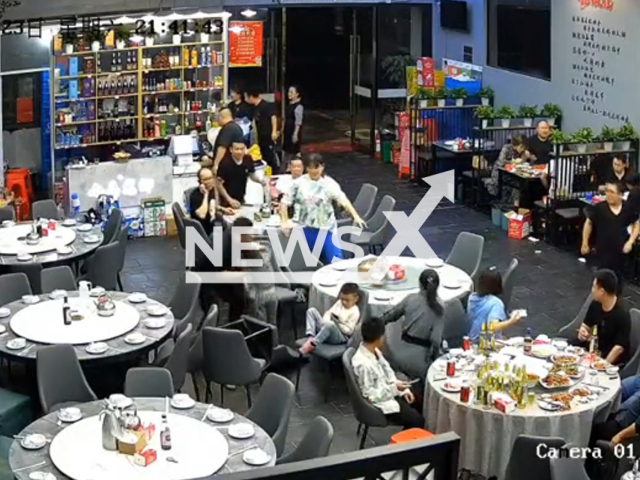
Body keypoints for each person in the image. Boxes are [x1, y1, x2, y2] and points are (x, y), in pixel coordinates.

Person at [280, 154, 366, 265]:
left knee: (336, 262)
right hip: (305, 229)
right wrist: (284, 221)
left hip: (327, 230)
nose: (313, 171)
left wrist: (356, 216)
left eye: (316, 167)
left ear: (322, 167)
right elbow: (285, 202)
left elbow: (342, 199)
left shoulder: (329, 184)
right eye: (310, 168)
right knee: (306, 263)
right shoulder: (298, 183)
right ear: (306, 168)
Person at [352, 316, 425, 430]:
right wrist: (395, 389)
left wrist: (401, 389)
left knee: (419, 399)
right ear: (380, 337)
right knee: (418, 421)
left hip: (387, 390)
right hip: (381, 403)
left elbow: (388, 371)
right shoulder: (363, 365)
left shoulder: (374, 351)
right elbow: (371, 397)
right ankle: (403, 446)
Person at [581, 181, 640, 292]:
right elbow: (589, 223)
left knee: (618, 283)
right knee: (602, 281)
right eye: (607, 191)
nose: (608, 194)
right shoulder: (600, 208)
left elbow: (636, 223)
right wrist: (585, 242)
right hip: (603, 251)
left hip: (620, 253)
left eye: (612, 192)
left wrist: (630, 241)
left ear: (620, 195)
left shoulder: (627, 208)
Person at [380, 270, 445, 367]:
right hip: (420, 359)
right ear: (438, 286)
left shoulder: (410, 299)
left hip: (398, 352)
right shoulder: (439, 308)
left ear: (419, 284)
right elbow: (435, 340)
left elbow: (390, 316)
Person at [576, 269, 630, 365]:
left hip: (609, 356)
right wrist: (583, 331)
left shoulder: (622, 314)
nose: (592, 290)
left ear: (602, 291)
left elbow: (619, 347)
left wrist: (603, 364)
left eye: (594, 287)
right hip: (595, 349)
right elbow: (586, 324)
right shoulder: (595, 304)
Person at [300, 283, 360, 355]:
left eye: (347, 300)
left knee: (330, 325)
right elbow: (328, 313)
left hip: (340, 336)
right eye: (342, 299)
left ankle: (313, 344)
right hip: (328, 326)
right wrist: (326, 321)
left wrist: (337, 323)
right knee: (311, 311)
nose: (344, 302)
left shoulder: (355, 312)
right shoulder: (339, 303)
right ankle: (310, 336)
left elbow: (349, 331)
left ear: (356, 299)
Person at [467, 269, 523, 341]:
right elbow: (492, 326)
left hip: (472, 340)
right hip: (487, 345)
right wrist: (512, 321)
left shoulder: (472, 297)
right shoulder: (496, 303)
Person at [217, 141, 267, 209]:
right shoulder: (225, 163)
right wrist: (229, 200)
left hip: (241, 196)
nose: (239, 152)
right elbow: (218, 184)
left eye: (242, 149)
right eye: (237, 149)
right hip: (226, 199)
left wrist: (261, 181)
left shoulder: (248, 159)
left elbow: (252, 174)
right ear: (231, 149)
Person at [484, 134, 531, 204]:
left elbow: (523, 163)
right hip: (500, 173)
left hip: (514, 173)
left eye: (524, 147)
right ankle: (513, 204)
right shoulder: (506, 148)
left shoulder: (522, 152)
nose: (522, 149)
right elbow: (501, 161)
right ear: (516, 144)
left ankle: (519, 204)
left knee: (524, 183)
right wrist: (513, 162)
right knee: (518, 185)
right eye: (521, 147)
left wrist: (525, 158)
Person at [189, 167, 234, 236]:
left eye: (210, 178)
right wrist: (206, 195)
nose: (209, 181)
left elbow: (211, 205)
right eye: (205, 179)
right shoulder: (195, 196)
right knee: (233, 236)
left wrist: (224, 210)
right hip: (203, 233)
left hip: (214, 227)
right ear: (200, 182)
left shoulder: (211, 190)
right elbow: (202, 215)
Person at [246, 89, 279, 171]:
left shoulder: (266, 105)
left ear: (251, 97)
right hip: (260, 136)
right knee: (263, 155)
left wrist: (274, 131)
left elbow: (273, 117)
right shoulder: (254, 108)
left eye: (247, 97)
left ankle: (275, 171)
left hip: (268, 135)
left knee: (270, 156)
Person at [211, 109, 244, 174]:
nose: (217, 120)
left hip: (227, 166)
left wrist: (216, 164)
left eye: (217, 118)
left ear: (221, 117)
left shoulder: (228, 128)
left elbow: (222, 147)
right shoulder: (236, 127)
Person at [282, 85, 304, 172]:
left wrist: (295, 133)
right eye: (289, 92)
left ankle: (295, 166)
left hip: (293, 130)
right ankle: (288, 165)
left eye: (292, 92)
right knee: (287, 149)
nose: (289, 94)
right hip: (287, 129)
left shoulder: (298, 107)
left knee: (294, 150)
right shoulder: (289, 105)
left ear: (297, 94)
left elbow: (298, 122)